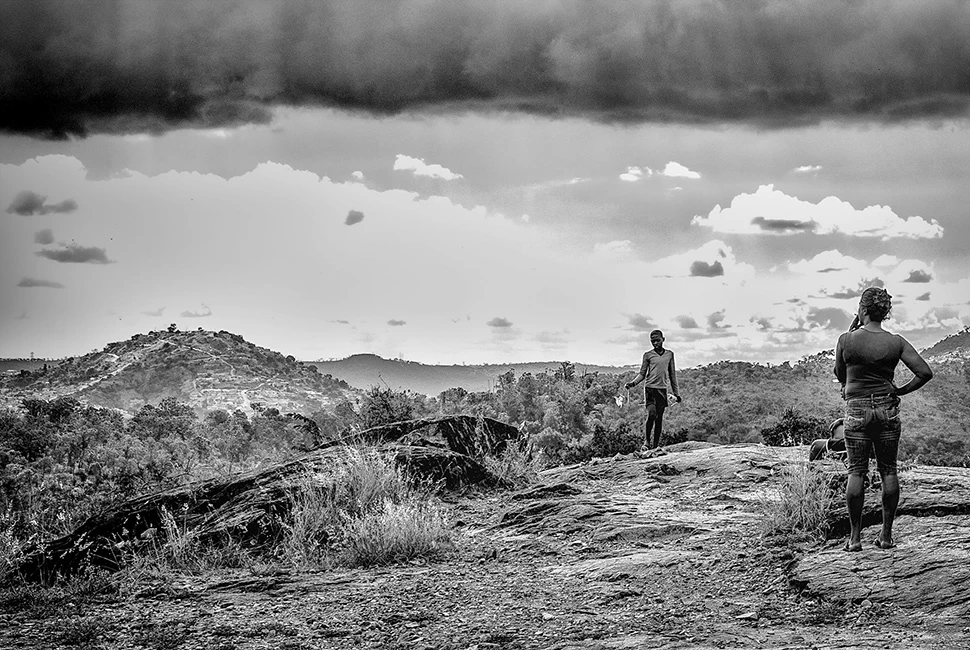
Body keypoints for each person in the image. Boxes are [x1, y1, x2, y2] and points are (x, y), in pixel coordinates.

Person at [834, 287, 933, 552]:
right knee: (888, 470)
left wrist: (853, 328)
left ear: (863, 310)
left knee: (856, 471)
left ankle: (854, 540)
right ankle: (886, 537)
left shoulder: (846, 339)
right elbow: (924, 372)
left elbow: (839, 372)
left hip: (856, 410)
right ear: (885, 312)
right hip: (888, 409)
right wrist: (900, 390)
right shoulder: (896, 342)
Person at [624, 329, 682, 450]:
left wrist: (676, 394)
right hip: (650, 389)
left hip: (662, 389)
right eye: (653, 341)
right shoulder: (648, 355)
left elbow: (672, 375)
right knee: (652, 414)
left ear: (663, 339)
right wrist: (633, 383)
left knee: (659, 418)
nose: (655, 343)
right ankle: (646, 441)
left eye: (657, 340)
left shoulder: (669, 354)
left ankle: (655, 446)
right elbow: (642, 374)